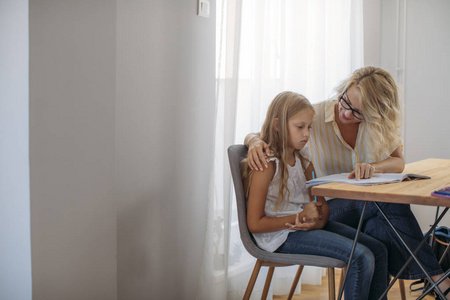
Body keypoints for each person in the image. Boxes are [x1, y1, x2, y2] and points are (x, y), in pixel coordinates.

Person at [244, 66, 450, 298]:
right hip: (328, 210)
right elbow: (273, 130)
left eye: (358, 112)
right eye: (345, 101)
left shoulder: (375, 125)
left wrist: (374, 167)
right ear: (343, 90)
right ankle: (437, 279)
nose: (346, 112)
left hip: (331, 213)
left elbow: (398, 162)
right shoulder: (313, 116)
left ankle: (430, 277)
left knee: (379, 239)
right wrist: (252, 141)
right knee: (383, 205)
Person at [242, 91, 389, 300]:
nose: (306, 133)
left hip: (304, 227)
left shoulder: (305, 162)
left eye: (309, 127)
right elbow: (255, 224)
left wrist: (317, 218)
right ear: (278, 125)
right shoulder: (267, 165)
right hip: (280, 237)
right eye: (300, 127)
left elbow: (321, 205)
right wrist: (300, 217)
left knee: (379, 249)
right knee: (361, 256)